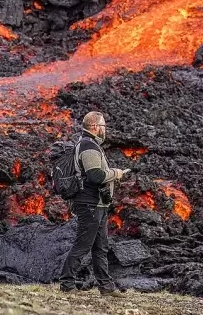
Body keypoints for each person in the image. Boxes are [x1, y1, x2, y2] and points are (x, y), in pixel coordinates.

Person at [59, 111, 130, 296]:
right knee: (83, 245)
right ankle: (66, 285)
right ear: (96, 127)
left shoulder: (90, 144)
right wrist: (117, 173)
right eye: (104, 126)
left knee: (100, 247)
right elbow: (96, 176)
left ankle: (106, 287)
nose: (105, 130)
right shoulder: (88, 146)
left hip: (98, 204)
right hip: (90, 204)